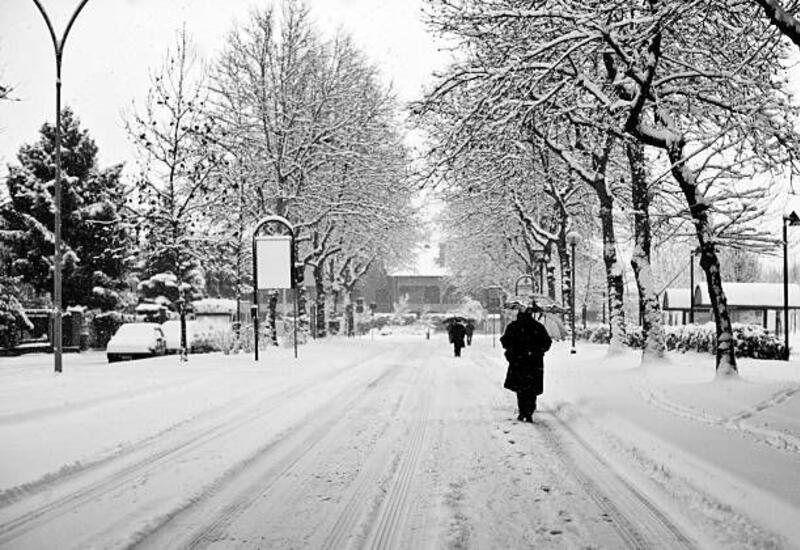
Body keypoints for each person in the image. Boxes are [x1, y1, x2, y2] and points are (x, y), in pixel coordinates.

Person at [500, 305, 552, 422]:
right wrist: (537, 351)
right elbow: (547, 343)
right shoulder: (538, 327)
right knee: (531, 388)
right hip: (534, 363)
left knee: (520, 388)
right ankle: (529, 411)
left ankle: (522, 410)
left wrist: (513, 350)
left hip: (518, 362)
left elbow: (505, 341)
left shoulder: (513, 326)